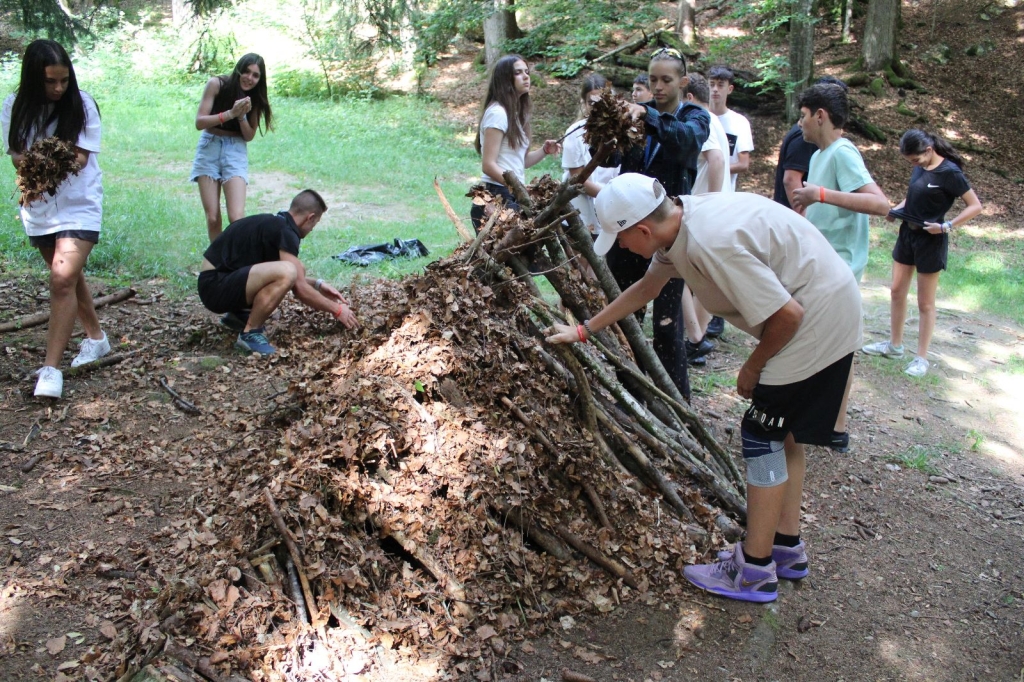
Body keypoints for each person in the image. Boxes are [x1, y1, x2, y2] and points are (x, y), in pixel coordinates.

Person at [545, 173, 863, 603]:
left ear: (642, 229)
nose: (620, 248)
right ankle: (787, 549)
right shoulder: (679, 225)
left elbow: (788, 315)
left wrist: (752, 367)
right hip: (826, 305)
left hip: (815, 321)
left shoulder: (712, 242)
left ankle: (754, 569)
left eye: (620, 239)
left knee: (761, 438)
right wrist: (584, 330)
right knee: (784, 435)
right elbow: (647, 288)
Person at [596, 47, 710, 400]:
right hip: (630, 233)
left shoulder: (694, 116)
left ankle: (677, 403)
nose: (657, 87)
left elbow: (685, 143)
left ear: (683, 82)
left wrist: (645, 115)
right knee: (623, 317)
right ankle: (629, 394)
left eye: (666, 80)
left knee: (667, 325)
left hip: (667, 236)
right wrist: (605, 128)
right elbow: (611, 157)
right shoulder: (640, 117)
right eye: (653, 79)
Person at [2, 39, 110, 399]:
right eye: (50, 82)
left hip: (80, 203)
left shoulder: (82, 105)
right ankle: (96, 338)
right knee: (67, 276)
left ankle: (51, 371)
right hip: (40, 207)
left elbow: (79, 159)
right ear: (34, 79)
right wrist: (34, 167)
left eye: (64, 80)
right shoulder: (12, 107)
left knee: (62, 279)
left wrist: (50, 158)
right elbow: (17, 156)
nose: (59, 88)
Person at [790, 82, 889, 453]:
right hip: (818, 266)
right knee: (813, 340)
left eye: (803, 117)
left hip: (840, 268)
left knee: (837, 347)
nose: (799, 125)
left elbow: (881, 205)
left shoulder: (843, 152)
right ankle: (815, 416)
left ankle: (836, 427)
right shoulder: (819, 156)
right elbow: (822, 207)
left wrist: (819, 194)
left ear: (821, 115)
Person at [862, 129, 982, 377]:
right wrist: (896, 211)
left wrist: (947, 226)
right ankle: (894, 346)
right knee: (896, 291)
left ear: (928, 150)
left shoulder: (950, 173)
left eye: (915, 160)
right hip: (908, 234)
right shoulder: (920, 167)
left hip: (931, 241)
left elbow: (975, 206)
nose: (913, 165)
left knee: (925, 302)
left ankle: (921, 359)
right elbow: (913, 195)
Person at [197, 190, 357, 356]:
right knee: (288, 270)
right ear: (309, 218)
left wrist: (318, 284)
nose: (311, 231)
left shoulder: (276, 224)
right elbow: (298, 288)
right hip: (214, 287)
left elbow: (294, 277)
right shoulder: (286, 232)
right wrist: (337, 310)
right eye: (314, 225)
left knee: (295, 268)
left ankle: (239, 316)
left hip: (217, 283)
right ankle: (250, 333)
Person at [470, 54, 560, 231]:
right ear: (505, 79)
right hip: (495, 196)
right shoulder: (498, 113)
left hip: (510, 194)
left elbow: (521, 162)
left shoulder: (515, 115)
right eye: (518, 73)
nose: (526, 76)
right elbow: (488, 165)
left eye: (526, 72)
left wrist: (544, 150)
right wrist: (518, 189)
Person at [191, 53, 273, 242]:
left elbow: (249, 135)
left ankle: (236, 263)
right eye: (246, 72)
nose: (249, 78)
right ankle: (218, 266)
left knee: (236, 218)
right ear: (238, 70)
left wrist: (241, 116)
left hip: (235, 150)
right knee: (212, 217)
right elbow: (200, 122)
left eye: (255, 75)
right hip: (209, 146)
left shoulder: (255, 98)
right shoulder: (217, 84)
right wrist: (230, 113)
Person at [680, 72, 730, 364]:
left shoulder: (700, 118)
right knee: (701, 275)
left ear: (688, 98)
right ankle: (695, 340)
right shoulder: (712, 120)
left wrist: (712, 203)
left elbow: (717, 160)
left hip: (704, 209)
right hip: (710, 208)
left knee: (676, 268)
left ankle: (695, 339)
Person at [773, 76, 847, 213]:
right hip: (792, 221)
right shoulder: (805, 137)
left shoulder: (825, 144)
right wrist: (805, 221)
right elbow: (791, 179)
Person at [560, 74, 619, 233]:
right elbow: (577, 179)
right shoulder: (574, 132)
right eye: (591, 103)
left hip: (614, 211)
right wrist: (611, 197)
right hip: (581, 211)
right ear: (584, 104)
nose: (597, 108)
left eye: (601, 102)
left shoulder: (620, 132)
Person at [708, 65, 754, 192]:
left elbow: (743, 164)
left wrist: (714, 168)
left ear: (730, 89)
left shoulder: (739, 123)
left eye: (720, 85)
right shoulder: (698, 118)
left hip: (725, 193)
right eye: (712, 84)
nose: (715, 89)